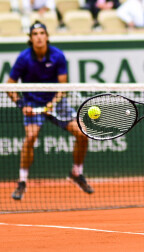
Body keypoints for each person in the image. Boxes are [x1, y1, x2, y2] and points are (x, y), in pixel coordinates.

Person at [7, 21, 94, 200]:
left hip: (56, 103)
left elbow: (63, 87)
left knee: (82, 134)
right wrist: (22, 105)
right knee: (30, 137)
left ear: (47, 36)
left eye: (42, 33)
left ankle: (76, 173)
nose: (39, 37)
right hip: (32, 102)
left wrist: (52, 104)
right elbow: (9, 86)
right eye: (35, 34)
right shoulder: (23, 58)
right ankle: (22, 182)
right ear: (31, 38)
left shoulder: (58, 56)